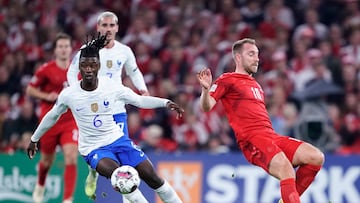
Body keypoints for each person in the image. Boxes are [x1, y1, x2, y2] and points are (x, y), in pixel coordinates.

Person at [27, 34, 184, 203]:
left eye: (92, 65)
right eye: (85, 65)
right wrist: (34, 138)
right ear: (79, 67)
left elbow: (138, 100)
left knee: (153, 178)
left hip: (118, 140)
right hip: (94, 149)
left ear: (98, 66)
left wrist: (165, 102)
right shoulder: (70, 94)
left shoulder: (110, 86)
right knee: (122, 179)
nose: (88, 69)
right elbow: (52, 116)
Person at [196, 38, 325, 203]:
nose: (257, 58)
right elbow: (206, 107)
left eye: (257, 54)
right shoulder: (227, 80)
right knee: (286, 170)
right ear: (238, 58)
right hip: (252, 139)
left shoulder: (256, 85)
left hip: (271, 136)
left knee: (315, 157)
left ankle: (286, 200)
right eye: (251, 54)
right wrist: (205, 90)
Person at [67, 11, 149, 200]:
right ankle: (93, 173)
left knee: (122, 162)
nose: (108, 29)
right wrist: (76, 93)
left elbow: (134, 72)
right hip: (92, 108)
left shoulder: (124, 50)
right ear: (98, 28)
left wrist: (143, 90)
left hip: (117, 110)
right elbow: (72, 73)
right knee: (96, 148)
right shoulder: (87, 50)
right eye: (104, 25)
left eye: (112, 25)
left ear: (117, 28)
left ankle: (126, 198)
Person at [26, 32, 78, 203]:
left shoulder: (76, 71)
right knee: (47, 161)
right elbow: (30, 89)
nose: (64, 49)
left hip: (70, 121)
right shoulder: (46, 70)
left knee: (71, 156)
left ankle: (67, 199)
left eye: (66, 46)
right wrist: (45, 95)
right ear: (55, 50)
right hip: (49, 121)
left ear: (71, 49)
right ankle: (40, 185)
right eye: (60, 46)